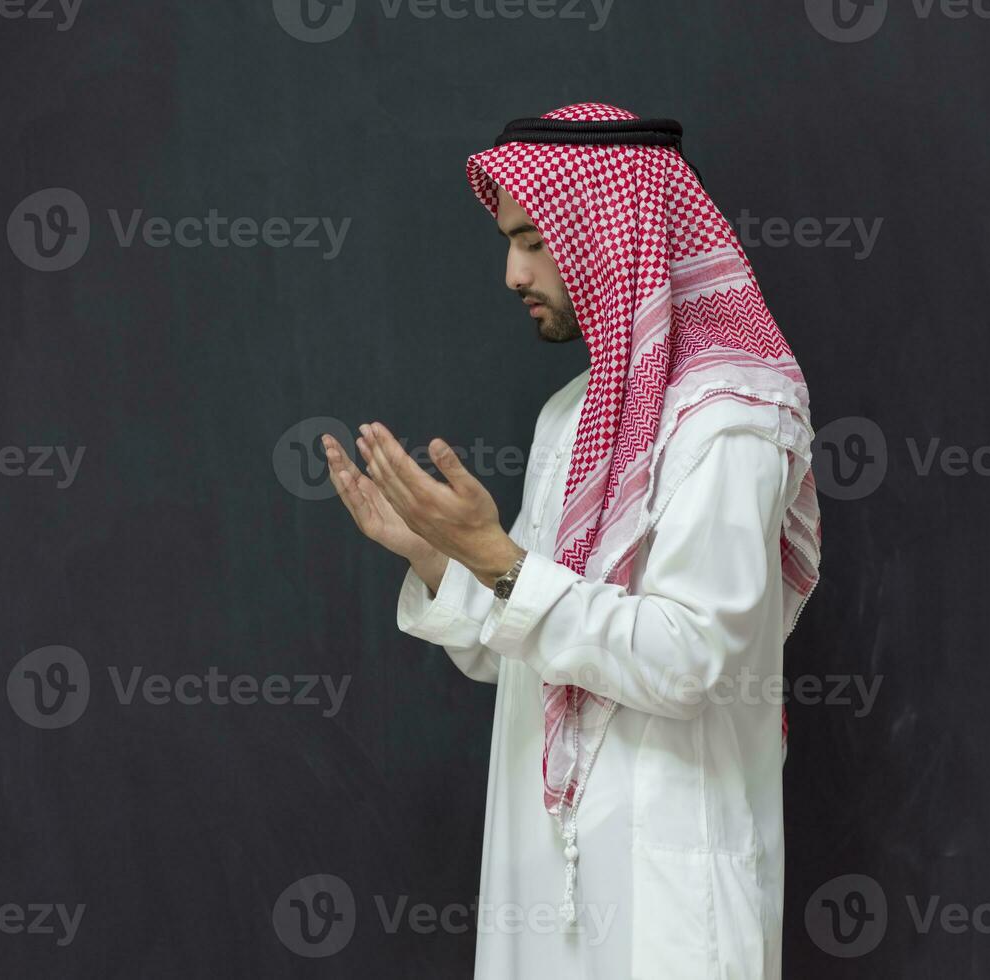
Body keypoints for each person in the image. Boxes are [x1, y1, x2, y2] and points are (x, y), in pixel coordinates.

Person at [321, 102, 821, 979]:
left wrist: (499, 562)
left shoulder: (727, 422)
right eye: (510, 241)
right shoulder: (573, 416)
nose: (512, 271)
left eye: (534, 239)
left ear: (612, 234)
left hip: (671, 902)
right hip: (541, 888)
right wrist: (441, 556)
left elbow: (690, 660)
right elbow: (528, 645)